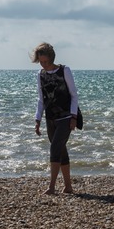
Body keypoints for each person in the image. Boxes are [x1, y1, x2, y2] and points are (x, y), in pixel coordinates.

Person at [31, 42, 79, 195]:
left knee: (55, 149)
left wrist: (73, 117)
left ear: (51, 58)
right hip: (50, 119)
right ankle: (68, 186)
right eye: (41, 62)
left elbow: (74, 95)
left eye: (46, 61)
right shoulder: (40, 75)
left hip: (65, 117)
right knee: (61, 151)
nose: (43, 64)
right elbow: (41, 100)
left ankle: (51, 187)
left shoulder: (65, 70)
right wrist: (37, 119)